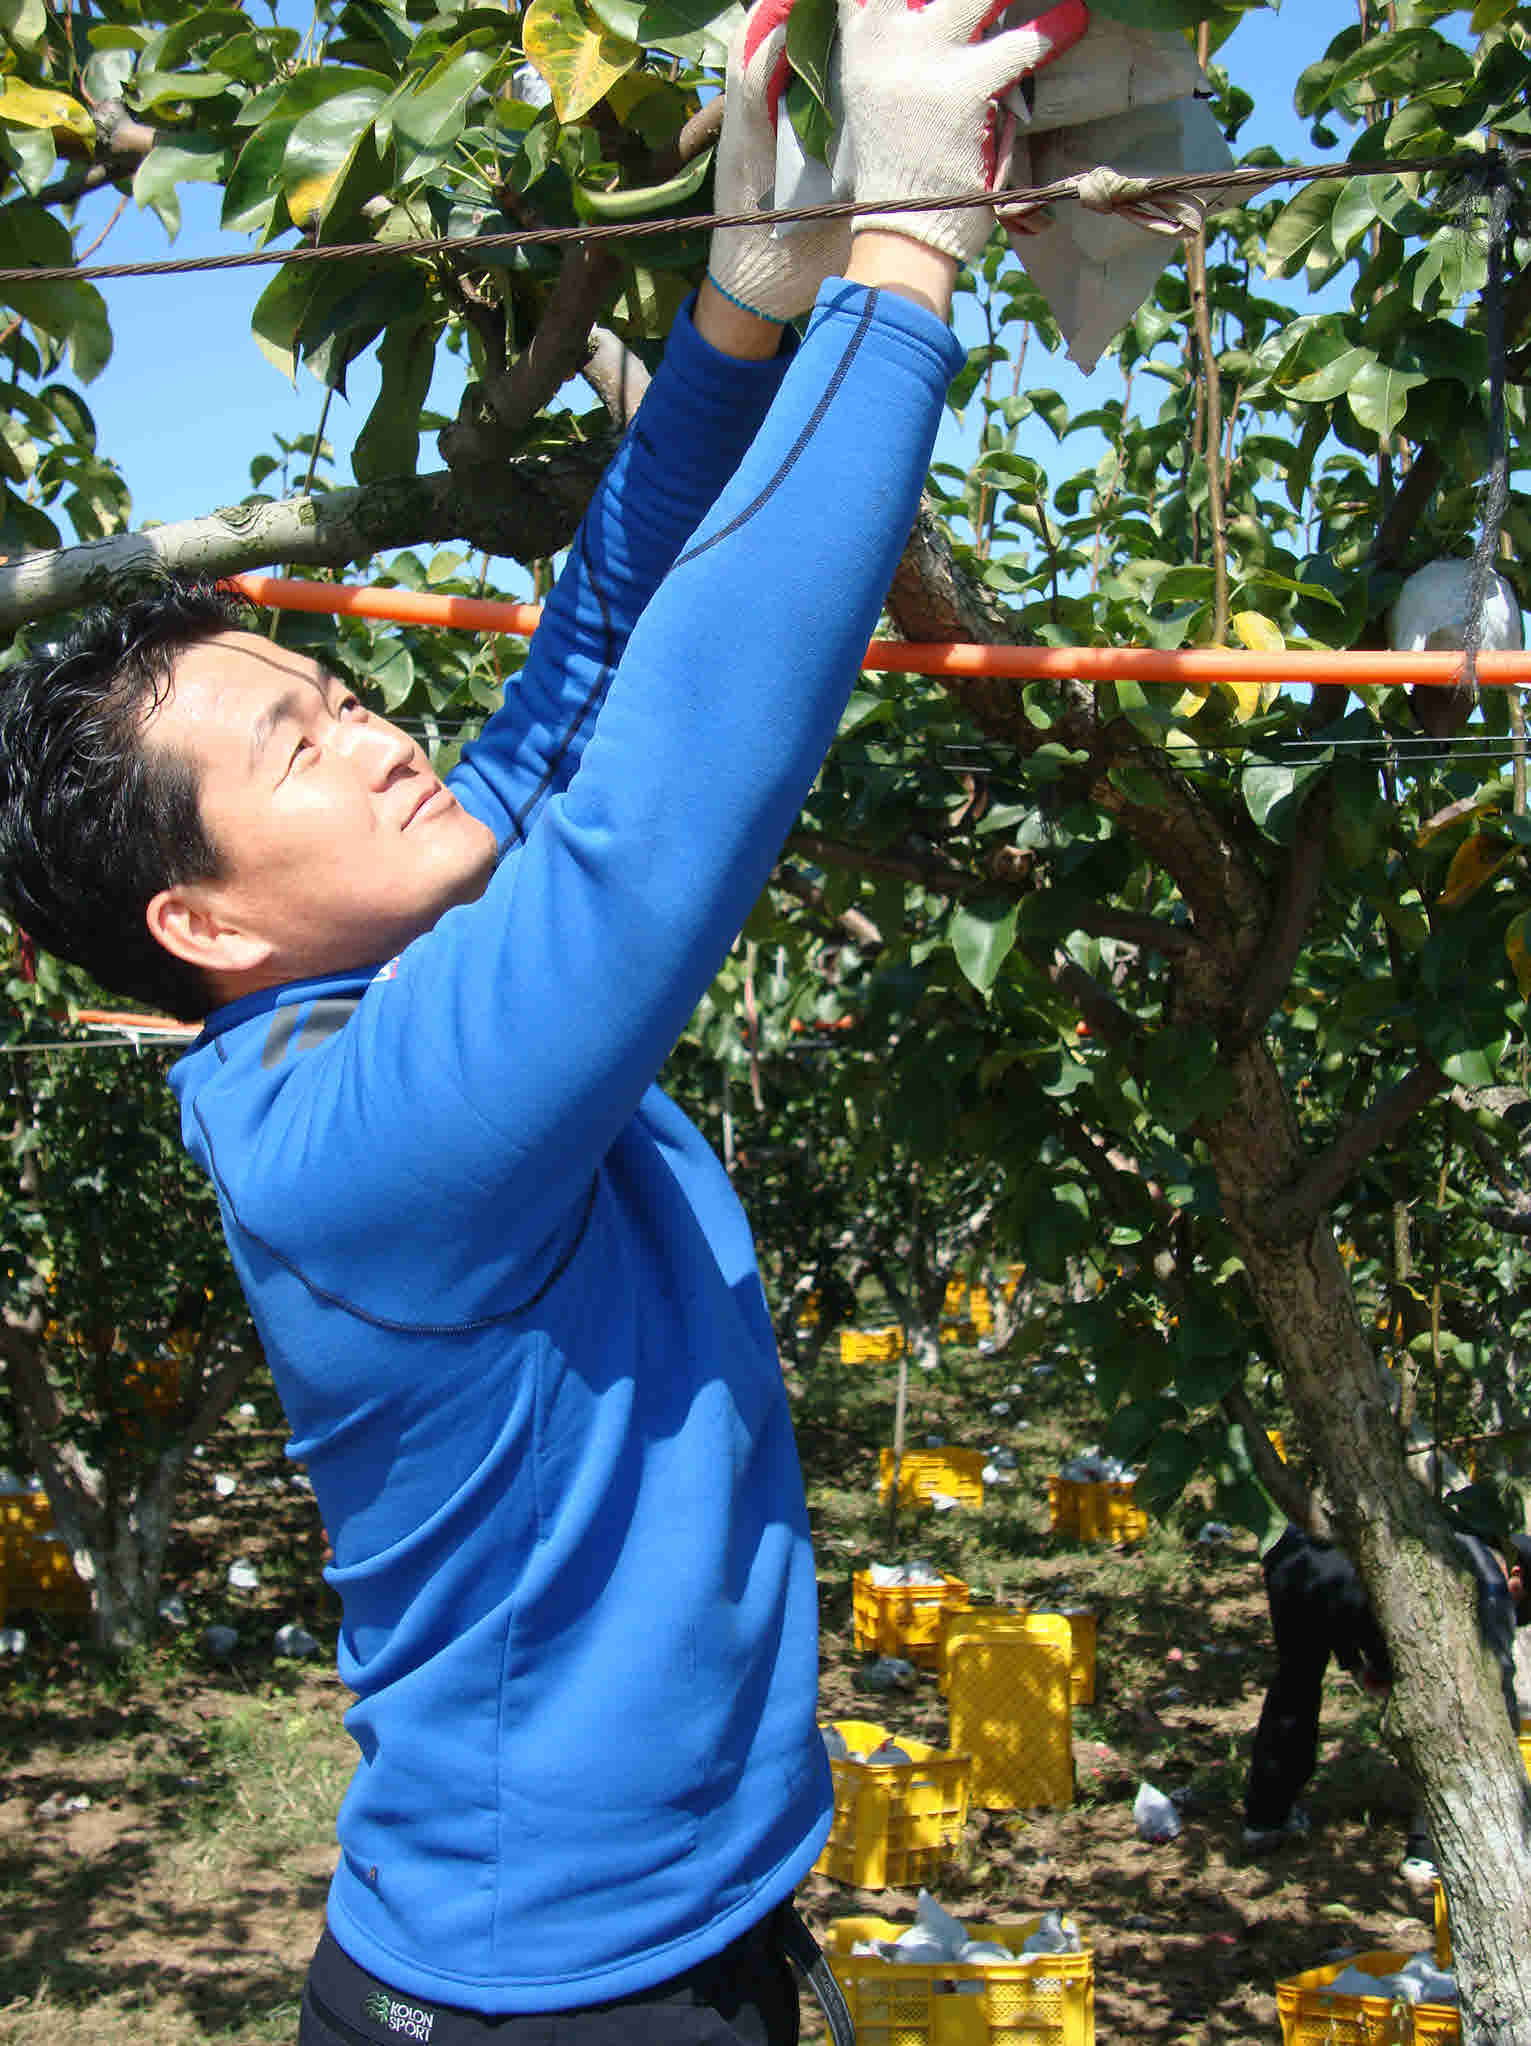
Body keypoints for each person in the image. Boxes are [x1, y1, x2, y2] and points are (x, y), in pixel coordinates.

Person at [0, 0, 1092, 2038]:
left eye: (340, 695)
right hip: (553, 2004)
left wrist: (745, 312)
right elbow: (670, 790)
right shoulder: (380, 1129)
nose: (381, 739)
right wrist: (905, 260)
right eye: (296, 745)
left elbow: (588, 650)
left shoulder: (383, 977)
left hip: (682, 1927)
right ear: (200, 918)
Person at [1242, 1520, 1531, 1889]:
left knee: (1296, 1680)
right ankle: (1426, 1852)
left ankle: (1264, 1820)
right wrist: (1510, 1773)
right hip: (1336, 1572)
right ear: (1517, 1572)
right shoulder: (1491, 1582)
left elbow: (1342, 1589)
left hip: (1294, 1555)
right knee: (1446, 1718)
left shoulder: (1449, 1538)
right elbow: (1496, 1682)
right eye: (1523, 1602)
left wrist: (1360, 1664)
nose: (1515, 1610)